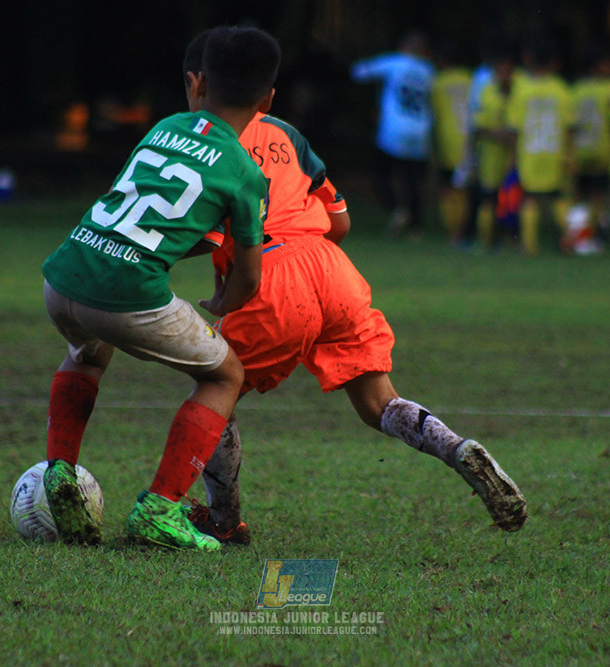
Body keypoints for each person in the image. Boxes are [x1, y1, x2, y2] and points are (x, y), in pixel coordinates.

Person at [179, 31, 527, 545]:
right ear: (269, 97)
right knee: (378, 402)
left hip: (272, 277)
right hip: (333, 270)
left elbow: (204, 233)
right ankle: (457, 449)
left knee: (214, 393)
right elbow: (339, 222)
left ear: (196, 86)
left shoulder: (200, 141)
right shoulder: (288, 135)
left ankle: (225, 522)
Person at [38, 26, 278, 551]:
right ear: (267, 101)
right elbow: (250, 271)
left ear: (197, 83)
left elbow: (135, 211)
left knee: (86, 351)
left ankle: (59, 471)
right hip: (127, 291)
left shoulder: (165, 126)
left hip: (65, 271)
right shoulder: (244, 172)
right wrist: (222, 302)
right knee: (224, 375)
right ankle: (160, 507)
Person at [350, 32, 435, 239]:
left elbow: (359, 72)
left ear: (404, 47)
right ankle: (416, 227)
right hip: (420, 129)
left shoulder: (395, 62)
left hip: (393, 129)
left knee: (380, 174)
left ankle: (396, 210)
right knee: (413, 179)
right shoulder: (428, 70)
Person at [505, 37, 574, 255]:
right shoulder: (562, 89)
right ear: (553, 62)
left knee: (530, 198)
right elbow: (570, 127)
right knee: (558, 197)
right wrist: (570, 155)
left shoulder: (522, 90)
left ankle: (529, 246)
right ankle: (572, 241)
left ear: (529, 60)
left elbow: (514, 128)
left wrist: (512, 157)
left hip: (530, 152)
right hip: (556, 151)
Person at [563, 45, 610, 255]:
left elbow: (569, 126)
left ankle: (577, 238)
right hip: (602, 152)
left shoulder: (575, 90)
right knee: (599, 198)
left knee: (579, 197)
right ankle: (594, 238)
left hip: (578, 152)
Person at [470, 47, 516, 250]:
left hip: (515, 156)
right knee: (489, 197)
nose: (505, 75)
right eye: (501, 71)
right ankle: (484, 240)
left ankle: (509, 238)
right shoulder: (487, 94)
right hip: (491, 155)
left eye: (509, 71)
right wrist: (501, 136)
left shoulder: (519, 93)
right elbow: (478, 127)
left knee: (511, 200)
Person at [429, 44, 471, 245]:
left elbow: (433, 114)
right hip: (469, 141)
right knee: (463, 189)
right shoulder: (470, 79)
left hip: (448, 142)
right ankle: (464, 231)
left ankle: (454, 232)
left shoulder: (437, 82)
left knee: (448, 188)